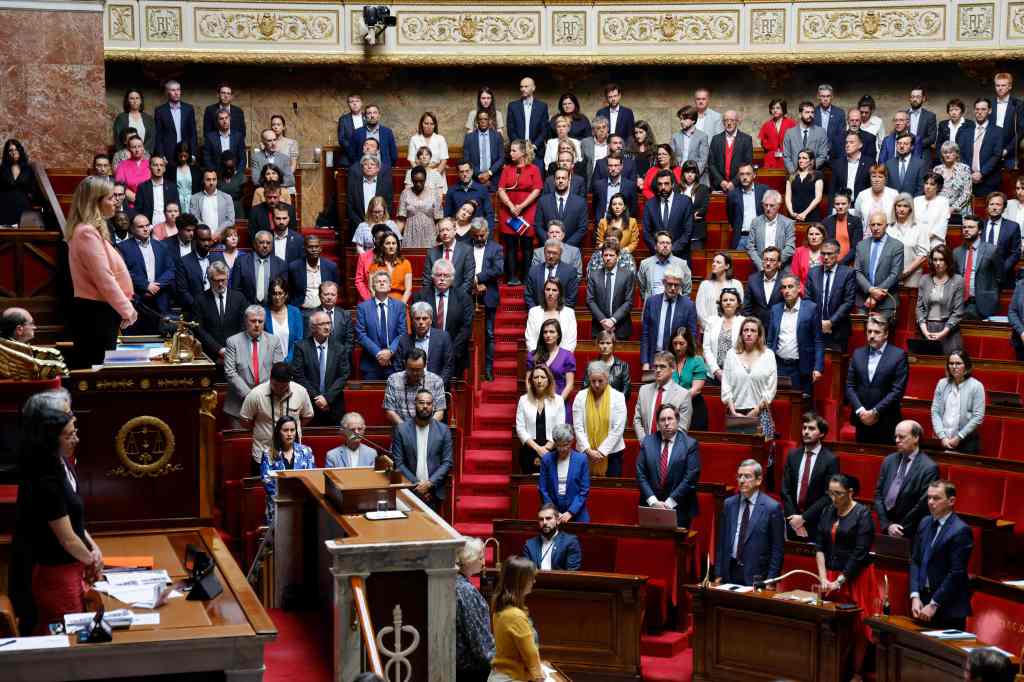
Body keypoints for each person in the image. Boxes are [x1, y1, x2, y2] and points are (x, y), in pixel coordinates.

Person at [15, 406, 101, 634]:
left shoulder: (64, 464)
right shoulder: (44, 479)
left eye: (75, 431)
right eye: (69, 435)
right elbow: (67, 539)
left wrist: (94, 547)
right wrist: (92, 561)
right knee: (69, 641)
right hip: (56, 578)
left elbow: (75, 520)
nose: (76, 438)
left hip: (74, 570)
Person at [65, 176, 136, 367]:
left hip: (100, 313)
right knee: (99, 374)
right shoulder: (86, 232)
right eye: (110, 197)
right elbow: (104, 279)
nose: (115, 201)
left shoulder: (89, 230)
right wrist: (127, 309)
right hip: (95, 315)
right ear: (95, 201)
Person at [815, 474, 879, 681]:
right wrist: (824, 578)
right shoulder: (827, 511)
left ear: (851, 493)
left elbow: (859, 554)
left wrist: (839, 581)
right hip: (831, 575)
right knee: (831, 625)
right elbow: (820, 547)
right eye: (830, 493)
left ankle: (857, 673)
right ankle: (833, 670)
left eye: (838, 494)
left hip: (856, 577)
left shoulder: (862, 515)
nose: (833, 498)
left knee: (858, 627)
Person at [715, 460, 785, 587]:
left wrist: (771, 580)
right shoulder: (728, 504)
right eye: (739, 476)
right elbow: (721, 541)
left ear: (758, 480)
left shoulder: (772, 508)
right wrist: (719, 573)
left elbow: (777, 549)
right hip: (729, 572)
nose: (741, 480)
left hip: (757, 576)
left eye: (747, 476)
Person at [873, 420, 940, 541]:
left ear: (916, 438)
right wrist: (887, 525)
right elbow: (878, 494)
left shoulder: (929, 468)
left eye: (902, 437)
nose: (897, 440)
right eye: (896, 437)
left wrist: (899, 528)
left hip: (910, 532)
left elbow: (922, 504)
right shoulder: (889, 460)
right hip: (885, 527)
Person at [636, 404, 701, 528]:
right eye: (662, 420)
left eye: (670, 419)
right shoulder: (648, 442)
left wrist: (669, 503)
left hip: (680, 508)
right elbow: (640, 474)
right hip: (651, 507)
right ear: (658, 424)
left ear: (677, 420)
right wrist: (653, 501)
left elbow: (690, 478)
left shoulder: (690, 445)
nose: (666, 423)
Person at [847, 315, 908, 444]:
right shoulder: (858, 354)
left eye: (877, 332)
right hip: (861, 419)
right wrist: (861, 411)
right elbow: (850, 386)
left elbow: (897, 391)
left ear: (886, 334)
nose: (872, 336)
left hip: (886, 421)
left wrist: (875, 412)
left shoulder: (898, 356)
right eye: (869, 331)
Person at [391, 389, 453, 511]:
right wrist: (417, 485)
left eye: (429, 403)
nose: (425, 406)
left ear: (433, 406)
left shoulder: (443, 430)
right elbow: (398, 463)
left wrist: (429, 483)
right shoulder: (401, 429)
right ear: (415, 404)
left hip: (434, 492)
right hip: (408, 490)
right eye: (421, 402)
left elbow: (447, 462)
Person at [240, 360, 313, 462]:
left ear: (289, 381)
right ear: (270, 379)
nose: (278, 389)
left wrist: (293, 428)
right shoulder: (256, 394)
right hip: (263, 454)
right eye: (275, 385)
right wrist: (260, 430)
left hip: (293, 456)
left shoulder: (301, 392)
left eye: (283, 386)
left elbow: (308, 416)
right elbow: (245, 419)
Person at [781, 412, 839, 540]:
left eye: (811, 428)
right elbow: (785, 490)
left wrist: (803, 518)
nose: (806, 432)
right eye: (804, 428)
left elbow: (829, 495)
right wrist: (793, 518)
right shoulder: (793, 455)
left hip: (816, 522)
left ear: (822, 433)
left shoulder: (830, 460)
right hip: (792, 521)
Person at [224, 306, 285, 428]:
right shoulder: (233, 341)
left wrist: (262, 395)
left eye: (260, 321)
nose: (257, 325)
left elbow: (278, 371)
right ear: (246, 321)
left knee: (266, 444)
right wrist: (251, 396)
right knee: (240, 444)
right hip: (238, 406)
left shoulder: (274, 341)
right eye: (253, 321)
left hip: (267, 403)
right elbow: (230, 372)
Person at [412, 258, 474, 377]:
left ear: (452, 278)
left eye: (446, 275)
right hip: (426, 354)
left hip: (456, 356)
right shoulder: (420, 296)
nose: (442, 278)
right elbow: (417, 325)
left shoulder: (464, 298)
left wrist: (450, 352)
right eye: (438, 275)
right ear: (432, 277)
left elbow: (466, 328)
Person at [489, 555, 544, 682]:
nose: (534, 582)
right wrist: (539, 677)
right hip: (510, 678)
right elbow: (530, 654)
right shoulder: (515, 615)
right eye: (531, 578)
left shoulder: (502, 607)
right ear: (520, 581)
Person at [290, 310, 350, 427]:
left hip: (333, 406)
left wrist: (327, 398)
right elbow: (298, 376)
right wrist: (318, 398)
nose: (327, 327)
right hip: (309, 405)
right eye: (322, 324)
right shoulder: (301, 347)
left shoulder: (339, 348)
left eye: (329, 323)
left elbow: (344, 376)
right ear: (313, 328)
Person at [767, 274, 823, 395]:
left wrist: (818, 367)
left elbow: (818, 340)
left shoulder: (811, 308)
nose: (787, 290)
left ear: (799, 288)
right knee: (780, 404)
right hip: (779, 366)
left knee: (800, 406)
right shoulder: (775, 309)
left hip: (801, 367)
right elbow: (770, 340)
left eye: (790, 286)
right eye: (784, 287)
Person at [117, 213, 175, 332]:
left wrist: (156, 286)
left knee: (159, 342)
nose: (145, 229)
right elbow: (123, 272)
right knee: (134, 341)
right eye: (140, 226)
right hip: (136, 302)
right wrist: (146, 285)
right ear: (132, 229)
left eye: (147, 225)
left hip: (158, 303)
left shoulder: (161, 246)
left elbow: (171, 270)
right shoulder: (122, 247)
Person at [722, 317, 778, 437]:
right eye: (745, 330)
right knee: (735, 450)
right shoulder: (731, 354)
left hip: (761, 412)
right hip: (735, 413)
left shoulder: (768, 355)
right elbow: (726, 385)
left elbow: (771, 389)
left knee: (762, 451)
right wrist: (733, 411)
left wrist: (755, 411)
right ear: (741, 334)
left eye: (753, 331)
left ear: (759, 335)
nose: (748, 333)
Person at [497, 139, 543, 285]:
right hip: (508, 210)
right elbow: (500, 189)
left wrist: (522, 206)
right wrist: (511, 206)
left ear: (523, 152)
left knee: (527, 246)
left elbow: (537, 189)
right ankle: (511, 277)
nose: (510, 153)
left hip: (527, 210)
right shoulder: (506, 169)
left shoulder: (534, 169)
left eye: (514, 151)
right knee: (510, 246)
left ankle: (526, 278)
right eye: (510, 150)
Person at [572, 361, 627, 477]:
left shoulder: (618, 397)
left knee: (608, 491)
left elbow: (618, 429)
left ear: (607, 378)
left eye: (600, 381)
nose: (596, 385)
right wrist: (588, 450)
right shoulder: (580, 396)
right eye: (593, 381)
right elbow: (578, 427)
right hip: (585, 453)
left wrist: (601, 452)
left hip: (612, 454)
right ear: (589, 379)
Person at [258, 415, 315, 522]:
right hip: (277, 507)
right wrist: (289, 499)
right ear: (279, 432)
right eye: (285, 430)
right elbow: (268, 483)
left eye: (292, 430)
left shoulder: (306, 451)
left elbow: (311, 478)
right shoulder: (268, 453)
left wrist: (298, 499)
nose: (289, 434)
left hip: (302, 504)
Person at [640, 265, 697, 370]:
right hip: (655, 358)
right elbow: (645, 334)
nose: (673, 288)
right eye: (670, 284)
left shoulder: (688, 306)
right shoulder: (651, 302)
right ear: (663, 282)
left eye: (677, 285)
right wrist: (645, 361)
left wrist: (687, 363)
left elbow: (692, 337)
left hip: (677, 360)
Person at [805, 239, 858, 352]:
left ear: (838, 254)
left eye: (829, 254)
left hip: (838, 330)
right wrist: (819, 322)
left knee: (835, 367)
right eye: (823, 253)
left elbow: (849, 302)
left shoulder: (848, 273)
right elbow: (807, 299)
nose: (826, 257)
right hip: (815, 328)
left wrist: (831, 322)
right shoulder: (813, 273)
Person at [454, 537, 495, 682]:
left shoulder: (453, 581)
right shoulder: (465, 590)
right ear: (467, 560)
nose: (484, 562)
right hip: (469, 671)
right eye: (480, 558)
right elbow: (479, 640)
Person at [191, 262, 247, 365]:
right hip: (209, 356)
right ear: (209, 280)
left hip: (236, 355)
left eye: (223, 280)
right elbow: (199, 329)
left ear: (227, 278)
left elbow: (243, 327)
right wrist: (218, 350)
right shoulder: (200, 300)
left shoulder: (239, 298)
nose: (220, 284)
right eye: (216, 281)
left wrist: (230, 350)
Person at [930, 350, 985, 454]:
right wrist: (942, 437)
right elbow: (935, 411)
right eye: (951, 363)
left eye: (958, 363)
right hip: (943, 440)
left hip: (966, 442)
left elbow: (978, 417)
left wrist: (959, 437)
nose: (954, 366)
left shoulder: (976, 386)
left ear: (966, 366)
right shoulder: (942, 383)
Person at [355, 270, 407, 379]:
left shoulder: (399, 306)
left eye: (385, 281)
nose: (382, 283)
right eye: (378, 281)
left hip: (394, 363)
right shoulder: (363, 308)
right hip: (371, 363)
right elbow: (361, 334)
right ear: (373, 286)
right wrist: (379, 354)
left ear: (390, 286)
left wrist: (390, 352)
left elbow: (402, 333)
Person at [516, 364, 566, 475]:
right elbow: (520, 429)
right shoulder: (523, 400)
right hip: (529, 450)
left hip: (552, 450)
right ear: (531, 380)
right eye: (536, 377)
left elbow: (560, 427)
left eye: (543, 377)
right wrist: (538, 449)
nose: (539, 381)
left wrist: (546, 450)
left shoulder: (558, 400)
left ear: (549, 380)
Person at [854, 211, 904, 320]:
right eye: (873, 225)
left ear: (886, 225)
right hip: (864, 301)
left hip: (886, 303)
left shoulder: (897, 246)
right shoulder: (861, 245)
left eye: (879, 224)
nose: (876, 228)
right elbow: (857, 271)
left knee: (882, 336)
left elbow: (895, 274)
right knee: (861, 336)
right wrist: (870, 289)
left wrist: (874, 297)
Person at [916, 245, 965, 355]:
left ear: (948, 261)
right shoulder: (924, 279)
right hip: (927, 328)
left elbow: (958, 312)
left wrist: (942, 333)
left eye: (941, 259)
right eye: (935, 259)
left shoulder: (957, 280)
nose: (937, 263)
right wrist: (925, 331)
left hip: (948, 330)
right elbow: (919, 308)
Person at [634, 350, 693, 440]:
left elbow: (682, 428)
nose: (657, 370)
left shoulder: (683, 395)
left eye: (662, 367)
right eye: (655, 366)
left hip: (669, 450)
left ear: (673, 368)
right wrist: (645, 443)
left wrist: (662, 446)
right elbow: (637, 420)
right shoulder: (643, 391)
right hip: (645, 447)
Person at [538, 424, 591, 523]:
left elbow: (584, 490)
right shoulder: (547, 459)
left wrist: (570, 512)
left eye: (565, 445)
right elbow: (543, 489)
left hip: (576, 510)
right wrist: (554, 512)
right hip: (552, 509)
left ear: (571, 442)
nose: (561, 449)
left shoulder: (581, 459)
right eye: (558, 445)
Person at [395, 301, 454, 387]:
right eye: (417, 318)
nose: (421, 322)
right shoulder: (404, 340)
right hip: (410, 387)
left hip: (436, 386)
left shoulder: (443, 337)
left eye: (425, 318)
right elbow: (398, 367)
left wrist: (438, 385)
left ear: (431, 320)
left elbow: (448, 366)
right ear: (412, 320)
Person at [954, 216, 1001, 321]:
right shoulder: (957, 252)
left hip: (983, 303)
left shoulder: (991, 250)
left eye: (971, 227)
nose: (966, 230)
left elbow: (999, 277)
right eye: (964, 227)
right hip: (961, 303)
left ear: (980, 230)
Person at [383, 348, 446, 425]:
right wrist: (407, 430)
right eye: (411, 369)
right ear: (405, 364)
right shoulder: (393, 380)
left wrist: (426, 429)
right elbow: (390, 411)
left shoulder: (436, 381)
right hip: (402, 430)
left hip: (428, 430)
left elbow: (440, 412)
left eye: (419, 370)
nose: (415, 373)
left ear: (425, 365)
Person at [585, 242, 634, 341]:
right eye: (605, 255)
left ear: (618, 256)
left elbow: (629, 301)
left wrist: (612, 320)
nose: (608, 258)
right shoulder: (594, 275)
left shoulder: (627, 275)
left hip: (621, 327)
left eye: (611, 255)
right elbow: (590, 300)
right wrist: (603, 320)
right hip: (599, 327)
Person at [746, 190, 795, 271]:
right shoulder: (756, 222)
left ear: (778, 206)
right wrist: (761, 265)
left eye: (772, 205)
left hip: (781, 267)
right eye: (766, 205)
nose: (768, 208)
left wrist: (775, 263)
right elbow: (750, 246)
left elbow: (790, 247)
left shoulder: (788, 223)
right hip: (761, 267)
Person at [981, 191, 1022, 287]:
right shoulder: (980, 225)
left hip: (1004, 275)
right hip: (981, 275)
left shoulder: (1013, 227)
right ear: (987, 207)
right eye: (991, 204)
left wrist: (1001, 268)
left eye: (998, 204)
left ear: (1004, 208)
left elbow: (1016, 253)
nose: (994, 207)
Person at [888, 193, 929, 290]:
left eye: (905, 206)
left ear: (910, 208)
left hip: (913, 275)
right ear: (894, 208)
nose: (901, 209)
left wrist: (906, 271)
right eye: (899, 206)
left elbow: (923, 255)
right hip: (889, 275)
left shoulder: (920, 227)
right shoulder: (888, 227)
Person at [523, 504, 582, 571]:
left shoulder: (570, 542)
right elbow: (526, 573)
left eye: (548, 518)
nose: (544, 522)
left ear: (558, 521)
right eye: (541, 519)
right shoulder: (529, 544)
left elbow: (572, 573)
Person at [670, 327, 708, 431]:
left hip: (694, 408)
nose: (677, 347)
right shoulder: (668, 361)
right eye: (675, 343)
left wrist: (676, 404)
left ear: (688, 344)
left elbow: (696, 389)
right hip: (670, 409)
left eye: (681, 344)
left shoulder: (697, 360)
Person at [525, 278, 577, 353]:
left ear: (559, 293)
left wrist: (559, 360)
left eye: (554, 290)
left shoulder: (569, 313)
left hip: (562, 361)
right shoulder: (534, 312)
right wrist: (538, 359)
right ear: (544, 292)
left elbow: (570, 342)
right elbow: (530, 339)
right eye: (548, 289)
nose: (550, 293)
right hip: (539, 359)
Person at [637, 231, 692, 301]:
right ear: (655, 246)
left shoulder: (682, 264)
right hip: (653, 307)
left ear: (671, 246)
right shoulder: (645, 264)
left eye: (668, 243)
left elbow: (687, 290)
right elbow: (643, 289)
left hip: (675, 307)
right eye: (662, 243)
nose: (665, 245)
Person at [524, 239, 578, 309]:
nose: (551, 256)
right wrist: (537, 313)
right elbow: (528, 296)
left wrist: (556, 314)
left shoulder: (570, 271)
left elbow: (571, 299)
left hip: (560, 316)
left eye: (555, 253)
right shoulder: (533, 271)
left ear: (560, 253)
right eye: (548, 252)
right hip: (537, 315)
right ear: (544, 252)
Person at [397, 166, 443, 249]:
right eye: (415, 181)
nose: (418, 184)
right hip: (410, 234)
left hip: (430, 233)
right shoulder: (405, 193)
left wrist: (440, 238)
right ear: (411, 180)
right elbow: (401, 220)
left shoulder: (433, 193)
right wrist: (396, 238)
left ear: (425, 179)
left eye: (421, 181)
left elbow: (439, 219)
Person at [153, 80, 198, 164]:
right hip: (168, 153)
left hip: (186, 151)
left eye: (178, 89)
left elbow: (193, 133)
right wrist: (161, 155)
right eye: (173, 90)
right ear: (167, 92)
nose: (176, 93)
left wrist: (193, 154)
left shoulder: (189, 109)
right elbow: (158, 135)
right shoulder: (160, 111)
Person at [708, 111, 754, 193]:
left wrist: (734, 182)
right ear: (723, 122)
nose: (729, 123)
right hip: (719, 185)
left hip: (739, 185)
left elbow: (747, 163)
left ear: (737, 121)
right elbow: (711, 164)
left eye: (732, 120)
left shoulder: (746, 139)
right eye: (726, 120)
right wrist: (721, 181)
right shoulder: (716, 139)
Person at [725, 164, 768, 250]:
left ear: (754, 175)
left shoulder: (764, 190)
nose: (745, 177)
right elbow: (731, 217)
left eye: (748, 174)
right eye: (742, 174)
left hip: (760, 237)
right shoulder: (732, 194)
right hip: (741, 238)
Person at [741, 246, 785, 329]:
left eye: (772, 260)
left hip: (779, 327)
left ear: (779, 263)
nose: (768, 263)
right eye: (766, 259)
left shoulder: (785, 280)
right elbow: (746, 308)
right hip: (757, 328)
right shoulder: (752, 279)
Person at [263, 277, 303, 363]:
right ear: (270, 295)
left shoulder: (295, 312)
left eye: (280, 293)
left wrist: (287, 361)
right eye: (274, 293)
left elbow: (298, 340)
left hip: (291, 363)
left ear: (286, 294)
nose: (277, 297)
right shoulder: (264, 313)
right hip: (269, 363)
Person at [446, 160, 495, 230]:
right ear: (458, 173)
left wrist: (488, 234)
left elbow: (489, 214)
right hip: (459, 231)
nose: (464, 174)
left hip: (477, 232)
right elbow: (447, 215)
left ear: (472, 172)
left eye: (467, 171)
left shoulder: (482, 189)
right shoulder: (451, 191)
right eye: (461, 172)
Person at [133, 155, 179, 228]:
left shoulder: (172, 187)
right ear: (150, 168)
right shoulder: (143, 187)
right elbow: (138, 210)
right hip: (149, 227)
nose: (158, 168)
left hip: (169, 227)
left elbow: (177, 209)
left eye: (161, 165)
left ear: (164, 169)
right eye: (155, 165)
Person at [782, 101, 828, 173]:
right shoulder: (789, 133)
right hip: (795, 174)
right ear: (800, 115)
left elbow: (823, 155)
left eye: (812, 112)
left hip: (814, 174)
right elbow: (786, 156)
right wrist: (794, 172)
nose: (810, 115)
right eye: (807, 112)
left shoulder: (821, 132)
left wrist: (809, 169)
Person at [367, 232, 412, 304]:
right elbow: (371, 288)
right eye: (387, 243)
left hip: (400, 301)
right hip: (381, 301)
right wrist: (379, 304)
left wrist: (401, 305)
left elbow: (408, 289)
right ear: (382, 246)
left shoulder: (405, 263)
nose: (391, 246)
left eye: (394, 243)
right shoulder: (375, 265)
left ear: (397, 246)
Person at [189, 168, 234, 239]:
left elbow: (230, 220)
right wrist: (207, 232)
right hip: (202, 238)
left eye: (214, 179)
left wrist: (217, 233)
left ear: (217, 180)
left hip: (221, 238)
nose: (211, 182)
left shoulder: (227, 198)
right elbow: (195, 218)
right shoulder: (194, 198)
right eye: (208, 179)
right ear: (203, 181)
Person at [586, 330, 632, 400]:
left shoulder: (623, 366)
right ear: (598, 345)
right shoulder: (591, 365)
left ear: (614, 345)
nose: (605, 346)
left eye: (608, 343)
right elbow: (585, 388)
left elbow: (626, 392)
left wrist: (614, 404)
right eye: (602, 343)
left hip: (616, 406)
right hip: (595, 405)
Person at [670, 106, 710, 185]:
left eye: (684, 119)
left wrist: (693, 176)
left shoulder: (702, 136)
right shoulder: (675, 136)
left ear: (693, 120)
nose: (681, 121)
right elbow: (671, 158)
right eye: (680, 119)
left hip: (698, 178)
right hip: (678, 178)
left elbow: (703, 160)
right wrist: (678, 175)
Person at [822, 190, 863, 266]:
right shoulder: (826, 222)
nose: (840, 206)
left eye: (843, 204)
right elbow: (824, 245)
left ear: (849, 204)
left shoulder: (856, 222)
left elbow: (856, 247)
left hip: (850, 263)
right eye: (837, 204)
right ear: (834, 205)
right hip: (829, 262)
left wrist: (842, 263)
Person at [830, 132, 872, 205]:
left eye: (851, 142)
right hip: (842, 206)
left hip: (863, 204)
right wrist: (831, 210)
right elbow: (832, 189)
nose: (847, 145)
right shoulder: (838, 163)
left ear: (860, 145)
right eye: (846, 142)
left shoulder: (869, 163)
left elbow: (871, 187)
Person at [935, 142, 973, 221]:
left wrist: (953, 208)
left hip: (961, 211)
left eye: (951, 152)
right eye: (945, 152)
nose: (948, 155)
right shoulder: (937, 169)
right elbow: (934, 191)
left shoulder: (965, 169)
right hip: (941, 211)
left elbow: (967, 193)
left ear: (957, 154)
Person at [595, 190, 640, 255]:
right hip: (607, 255)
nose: (617, 207)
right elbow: (600, 242)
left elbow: (634, 242)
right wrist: (609, 252)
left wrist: (623, 252)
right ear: (611, 207)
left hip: (625, 255)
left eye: (620, 204)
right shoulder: (603, 222)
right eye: (614, 204)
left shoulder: (632, 222)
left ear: (624, 207)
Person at [114, 89, 156, 156]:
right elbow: (117, 139)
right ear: (127, 101)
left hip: (144, 156)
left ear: (141, 101)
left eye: (137, 98)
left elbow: (151, 139)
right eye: (132, 98)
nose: (135, 101)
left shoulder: (149, 119)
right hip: (126, 156)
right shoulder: (121, 118)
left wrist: (144, 153)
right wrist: (124, 154)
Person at [785, 150, 824, 221]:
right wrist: (791, 213)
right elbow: (787, 197)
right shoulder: (791, 176)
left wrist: (804, 213)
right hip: (794, 215)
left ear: (811, 161)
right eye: (799, 158)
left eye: (804, 158)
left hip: (811, 215)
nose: (801, 160)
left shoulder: (817, 175)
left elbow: (818, 197)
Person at [759, 99, 797, 170]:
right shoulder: (766, 125)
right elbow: (763, 142)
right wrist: (772, 148)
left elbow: (795, 142)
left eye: (778, 108)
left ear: (783, 109)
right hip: (770, 158)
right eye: (773, 108)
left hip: (787, 158)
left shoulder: (791, 124)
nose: (775, 110)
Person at [915, 172, 951, 246]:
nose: (928, 186)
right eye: (926, 183)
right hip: (916, 240)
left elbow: (942, 223)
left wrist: (926, 238)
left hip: (935, 241)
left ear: (938, 187)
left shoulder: (943, 201)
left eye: (932, 184)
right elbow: (911, 221)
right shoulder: (916, 200)